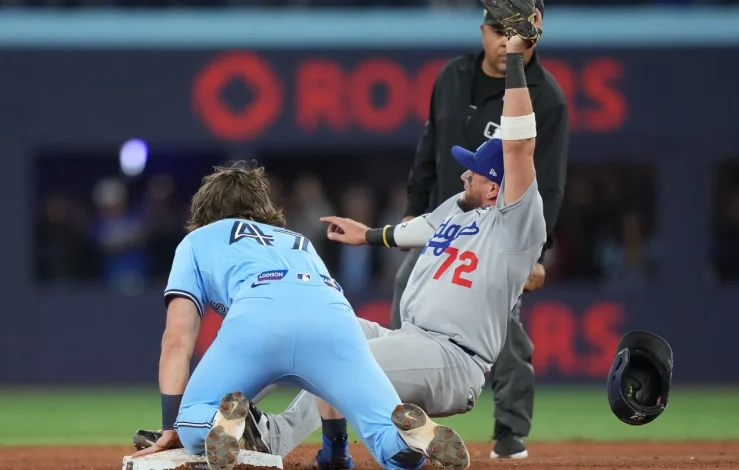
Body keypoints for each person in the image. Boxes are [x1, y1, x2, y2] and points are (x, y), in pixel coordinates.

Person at [248, 28, 546, 469]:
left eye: (475, 173)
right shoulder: (460, 210)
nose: (464, 175)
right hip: (409, 339)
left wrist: (517, 62)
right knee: (316, 328)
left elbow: (520, 146)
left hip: (453, 358)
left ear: (497, 189)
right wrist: (368, 234)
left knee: (342, 358)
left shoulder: (513, 224)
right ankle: (343, 447)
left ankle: (274, 438)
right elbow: (419, 229)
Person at [130, 163, 470, 470]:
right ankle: (409, 440)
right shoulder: (298, 242)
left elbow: (176, 340)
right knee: (385, 433)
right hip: (335, 318)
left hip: (258, 317)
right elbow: (313, 327)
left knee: (193, 422)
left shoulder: (197, 240)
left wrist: (170, 427)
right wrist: (335, 451)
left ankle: (221, 423)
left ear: (203, 209)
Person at [394, 1, 568, 459]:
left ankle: (510, 430)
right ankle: (408, 411)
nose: (499, 39)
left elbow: (545, 178)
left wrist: (535, 251)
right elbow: (429, 146)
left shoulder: (544, 96)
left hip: (498, 233)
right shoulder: (452, 76)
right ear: (483, 31)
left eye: (507, 32)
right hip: (443, 226)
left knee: (499, 326)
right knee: (404, 295)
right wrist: (415, 209)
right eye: (494, 29)